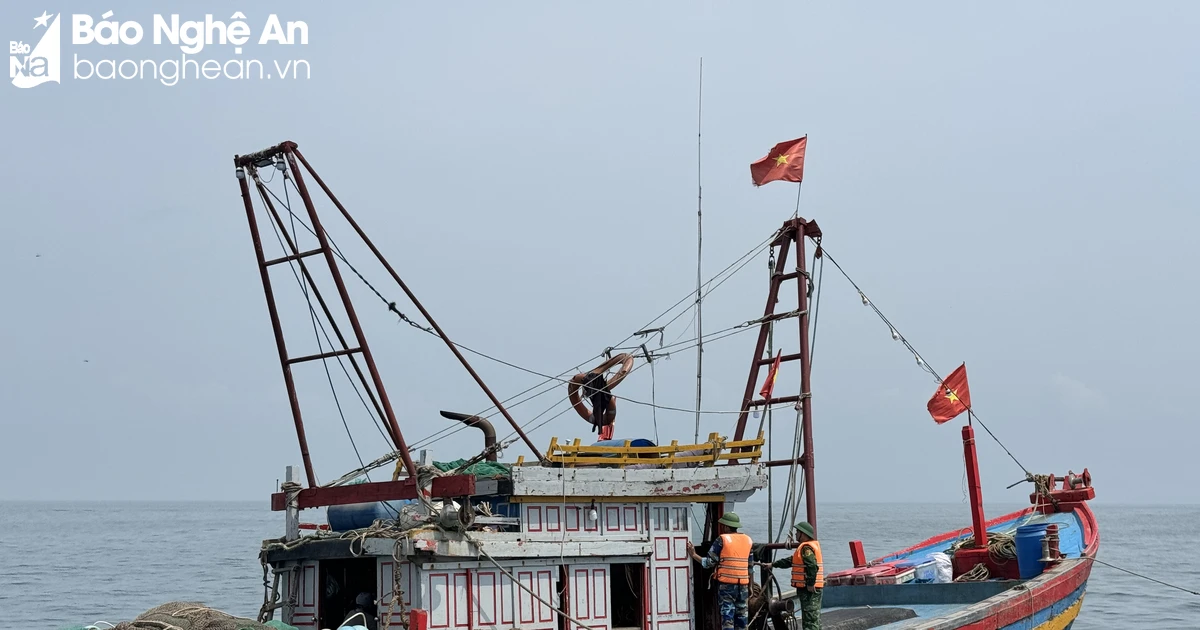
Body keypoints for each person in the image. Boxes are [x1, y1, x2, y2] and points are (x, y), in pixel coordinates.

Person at [686, 512, 753, 630]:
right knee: (742, 618)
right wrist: (751, 586)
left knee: (728, 618)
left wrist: (694, 554)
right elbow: (750, 567)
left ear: (726, 526)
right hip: (743, 585)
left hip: (727, 586)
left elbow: (709, 563)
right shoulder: (748, 540)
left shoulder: (722, 539)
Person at [770, 521, 823, 630]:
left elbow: (812, 566)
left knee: (810, 619)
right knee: (810, 617)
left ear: (803, 534)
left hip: (809, 590)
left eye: (797, 532)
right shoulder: (804, 548)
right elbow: (790, 561)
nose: (795, 534)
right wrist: (773, 564)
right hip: (807, 589)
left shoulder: (806, 548)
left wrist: (810, 583)